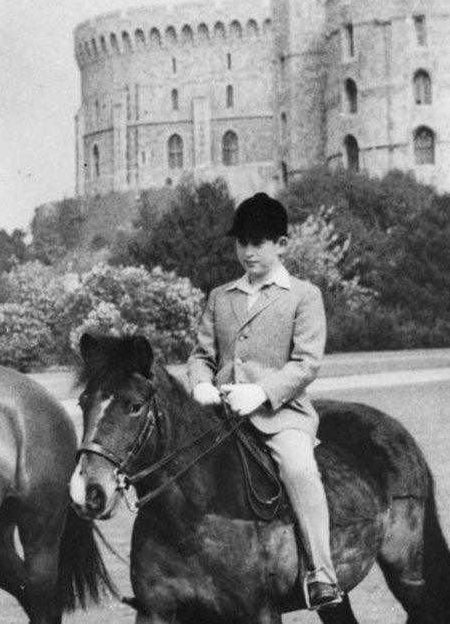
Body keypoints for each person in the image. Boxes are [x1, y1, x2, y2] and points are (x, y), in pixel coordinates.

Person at [186, 192, 343, 610]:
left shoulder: (303, 295)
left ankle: (321, 575)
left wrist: (262, 391)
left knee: (299, 468)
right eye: (242, 243)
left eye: (258, 243)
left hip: (279, 415)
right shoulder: (221, 296)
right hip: (220, 416)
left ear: (282, 245)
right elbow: (202, 356)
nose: (248, 251)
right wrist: (201, 382)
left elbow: (306, 363)